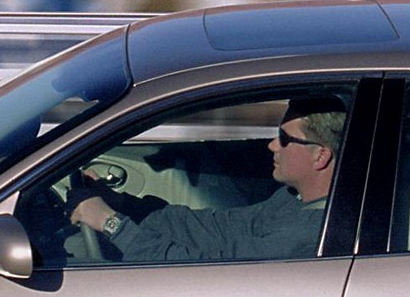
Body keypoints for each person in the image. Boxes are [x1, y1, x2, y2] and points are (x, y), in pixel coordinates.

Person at [67, 96, 347, 264]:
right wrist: (124, 205)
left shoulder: (310, 235)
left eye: (285, 139)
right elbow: (215, 229)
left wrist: (112, 224)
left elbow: (200, 267)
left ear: (320, 156)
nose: (272, 145)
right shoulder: (292, 200)